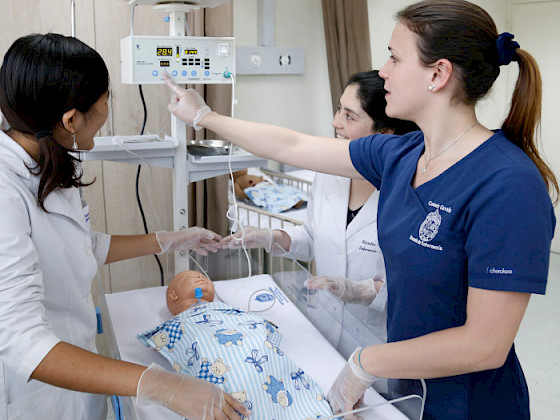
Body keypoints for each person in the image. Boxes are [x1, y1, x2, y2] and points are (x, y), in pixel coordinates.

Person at [163, 0, 558, 418]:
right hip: (406, 386)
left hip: (470, 404)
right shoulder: (401, 154)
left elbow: (485, 344)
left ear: (438, 74)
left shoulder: (508, 184)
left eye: (394, 57)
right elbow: (293, 145)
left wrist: (365, 362)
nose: (383, 71)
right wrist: (205, 115)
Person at [0, 33, 249, 420]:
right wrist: (161, 384)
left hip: (76, 370)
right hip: (36, 394)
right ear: (70, 119)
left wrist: (168, 240)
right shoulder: (5, 191)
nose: (104, 116)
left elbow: (82, 245)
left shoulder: (46, 156)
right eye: (103, 106)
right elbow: (21, 342)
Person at [221, 71, 418, 355]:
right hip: (323, 333)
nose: (335, 122)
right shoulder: (330, 173)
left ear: (385, 133)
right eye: (339, 109)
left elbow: (415, 282)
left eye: (349, 116)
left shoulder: (411, 192)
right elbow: (313, 238)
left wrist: (363, 291)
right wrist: (270, 237)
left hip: (379, 343)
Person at [137, 270, 333, 420]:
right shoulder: (176, 324)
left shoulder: (231, 310)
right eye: (191, 277)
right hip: (224, 372)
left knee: (283, 383)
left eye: (204, 277)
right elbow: (162, 341)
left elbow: (259, 329)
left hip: (261, 361)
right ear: (172, 295)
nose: (201, 278)